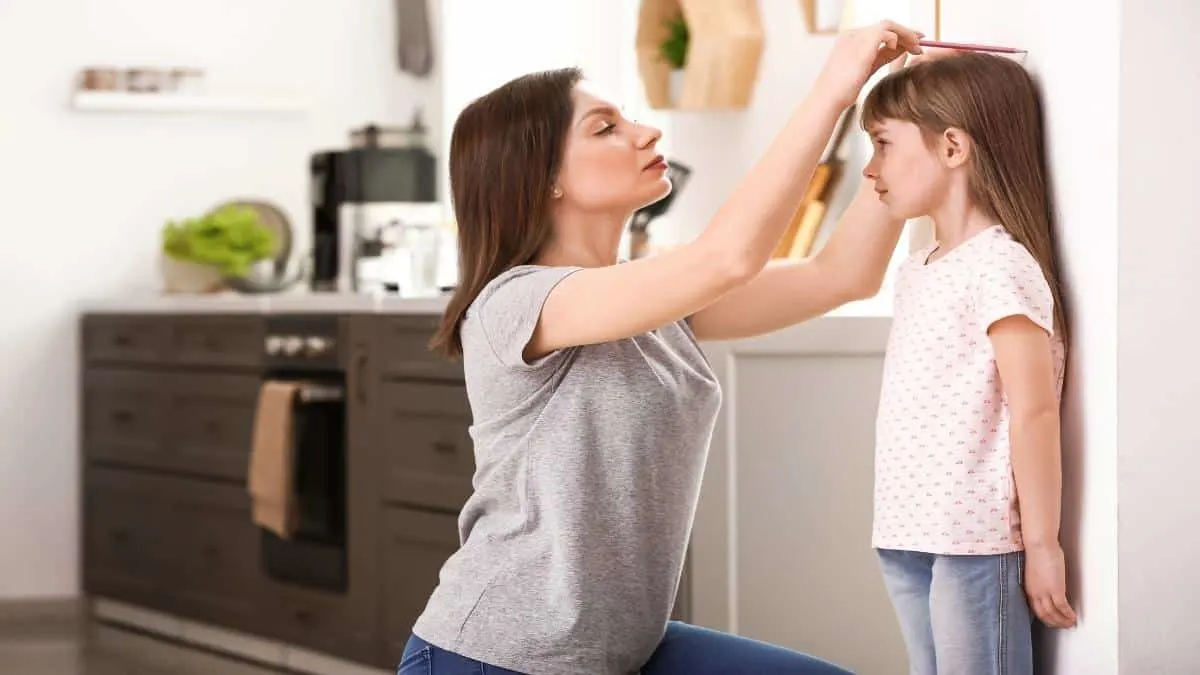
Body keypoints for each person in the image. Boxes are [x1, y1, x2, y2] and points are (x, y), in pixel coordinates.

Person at [400, 20, 924, 675]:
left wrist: (910, 124)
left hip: (624, 650)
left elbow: (840, 275)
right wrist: (833, 90)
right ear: (543, 179)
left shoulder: (656, 301)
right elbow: (728, 256)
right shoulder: (518, 301)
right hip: (497, 655)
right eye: (605, 128)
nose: (646, 134)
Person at [860, 51, 1078, 675]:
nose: (871, 169)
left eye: (882, 144)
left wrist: (1041, 544)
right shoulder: (918, 268)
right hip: (905, 531)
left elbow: (1034, 411)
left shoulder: (1000, 266)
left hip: (973, 539)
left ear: (952, 146)